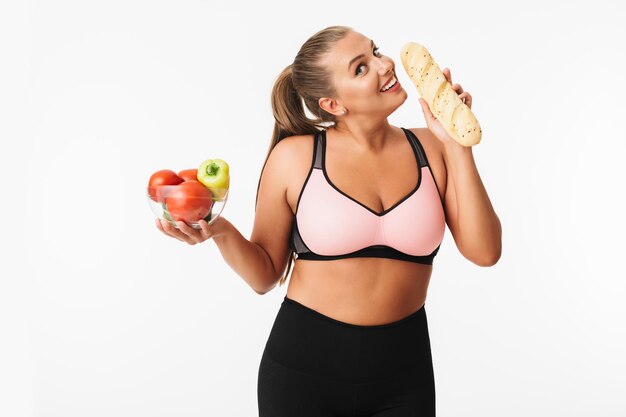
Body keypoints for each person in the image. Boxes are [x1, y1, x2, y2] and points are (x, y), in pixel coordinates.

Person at [156, 25, 502, 417]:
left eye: (376, 52)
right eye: (360, 68)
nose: (385, 65)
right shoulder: (295, 158)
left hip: (404, 375)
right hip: (304, 373)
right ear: (333, 105)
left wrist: (458, 147)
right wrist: (218, 230)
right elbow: (265, 275)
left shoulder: (433, 148)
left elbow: (486, 252)